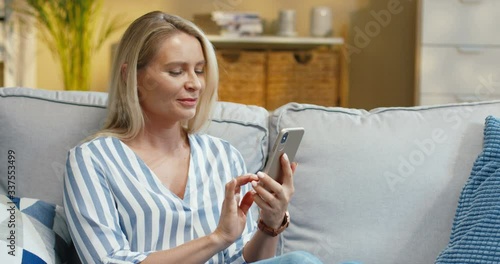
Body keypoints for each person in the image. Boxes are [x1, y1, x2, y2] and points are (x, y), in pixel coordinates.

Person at [63, 11, 322, 264]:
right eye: (176, 71)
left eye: (199, 70)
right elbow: (108, 260)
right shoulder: (92, 160)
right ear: (130, 76)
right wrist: (218, 238)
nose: (195, 84)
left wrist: (269, 225)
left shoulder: (223, 155)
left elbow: (243, 260)